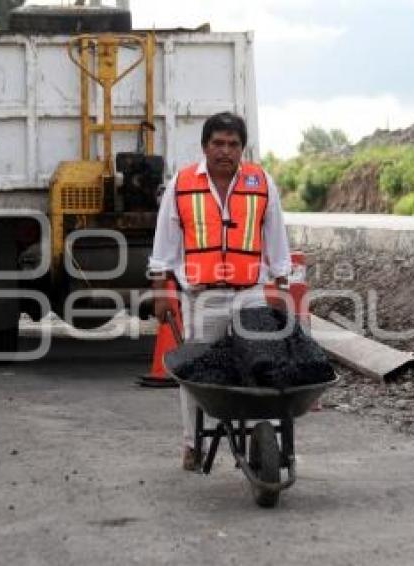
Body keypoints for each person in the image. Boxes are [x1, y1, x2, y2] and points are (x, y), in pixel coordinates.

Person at [148, 111, 291, 470]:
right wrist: (162, 291)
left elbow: (276, 238)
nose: (225, 151)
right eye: (218, 143)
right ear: (204, 146)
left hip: (251, 292)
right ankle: (192, 443)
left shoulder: (261, 183)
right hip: (203, 295)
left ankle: (262, 430)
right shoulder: (182, 185)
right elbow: (164, 244)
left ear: (243, 148)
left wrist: (283, 281)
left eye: (233, 144)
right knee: (197, 370)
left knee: (260, 362)